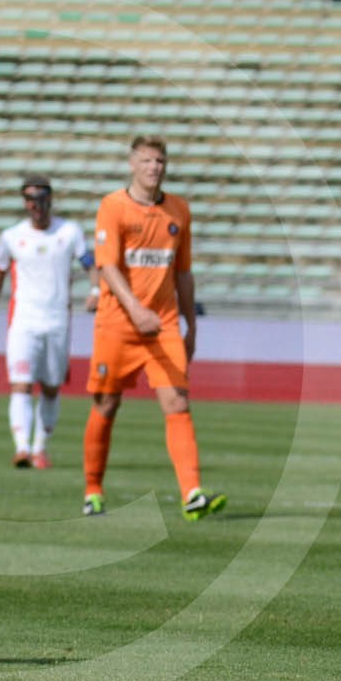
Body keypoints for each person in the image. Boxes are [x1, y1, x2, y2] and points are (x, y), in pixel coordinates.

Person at [84, 137, 223, 521]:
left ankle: (191, 492)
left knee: (178, 402)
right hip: (117, 324)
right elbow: (107, 267)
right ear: (132, 164)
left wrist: (190, 326)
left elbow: (183, 273)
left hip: (162, 325)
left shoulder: (179, 210)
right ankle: (93, 489)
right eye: (146, 160)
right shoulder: (112, 207)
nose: (154, 167)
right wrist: (135, 309)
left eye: (160, 161)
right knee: (107, 404)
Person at [0, 176, 93, 469]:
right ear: (24, 203)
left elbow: (90, 264)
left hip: (57, 322)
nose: (36, 206)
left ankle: (41, 448)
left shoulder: (69, 232)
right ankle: (22, 449)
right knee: (21, 384)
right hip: (23, 322)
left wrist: (96, 290)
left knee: (51, 387)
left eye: (41, 199)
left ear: (50, 200)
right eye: (30, 200)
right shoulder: (11, 236)